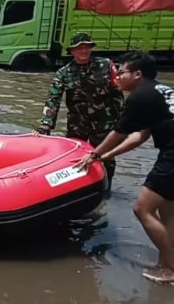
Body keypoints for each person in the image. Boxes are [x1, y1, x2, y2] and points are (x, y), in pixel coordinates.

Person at [74, 51, 174, 284]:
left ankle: (172, 268)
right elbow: (140, 135)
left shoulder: (139, 97)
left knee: (142, 209)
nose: (116, 77)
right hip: (172, 153)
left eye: (121, 73)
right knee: (169, 211)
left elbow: (119, 132)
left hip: (173, 156)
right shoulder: (160, 91)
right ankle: (166, 264)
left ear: (137, 74)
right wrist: (107, 155)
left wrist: (94, 154)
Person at [34, 33, 124, 193]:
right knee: (73, 156)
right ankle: (77, 190)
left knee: (107, 156)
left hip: (103, 120)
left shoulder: (106, 65)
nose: (83, 51)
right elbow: (53, 99)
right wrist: (45, 125)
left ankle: (106, 188)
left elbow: (117, 92)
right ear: (72, 51)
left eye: (86, 47)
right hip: (77, 122)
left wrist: (121, 120)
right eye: (79, 48)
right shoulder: (64, 72)